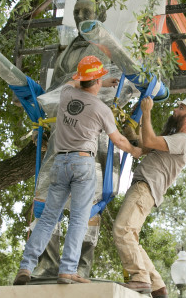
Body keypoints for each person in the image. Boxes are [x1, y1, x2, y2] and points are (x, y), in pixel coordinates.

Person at [14, 56, 142, 285]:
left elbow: (74, 83)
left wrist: (97, 80)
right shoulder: (101, 109)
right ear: (97, 80)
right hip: (83, 164)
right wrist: (134, 150)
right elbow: (119, 140)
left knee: (47, 219)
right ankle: (68, 270)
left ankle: (25, 266)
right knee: (79, 220)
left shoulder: (66, 95)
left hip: (59, 164)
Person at [113, 96, 186, 298]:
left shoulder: (183, 140)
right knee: (131, 236)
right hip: (144, 189)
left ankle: (140, 277)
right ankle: (156, 284)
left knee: (123, 230)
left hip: (145, 189)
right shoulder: (173, 138)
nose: (175, 110)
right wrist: (129, 129)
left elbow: (149, 141)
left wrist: (146, 112)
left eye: (180, 108)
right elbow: (142, 146)